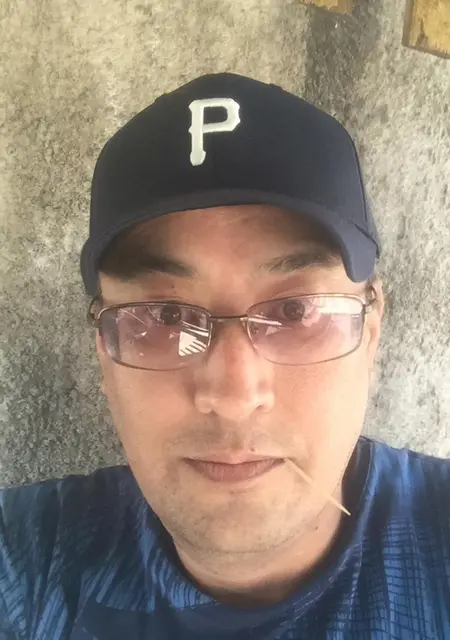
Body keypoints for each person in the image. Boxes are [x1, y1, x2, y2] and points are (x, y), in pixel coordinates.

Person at [0, 72, 449, 640]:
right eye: (165, 316)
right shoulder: (30, 564)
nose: (234, 396)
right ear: (103, 355)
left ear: (372, 333)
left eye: (296, 312)